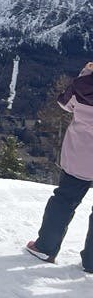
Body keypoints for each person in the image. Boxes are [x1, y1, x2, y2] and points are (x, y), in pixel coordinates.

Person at [26, 62, 93, 271]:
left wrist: (86, 73)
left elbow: (64, 103)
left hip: (81, 154)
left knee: (64, 200)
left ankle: (45, 247)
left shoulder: (83, 85)